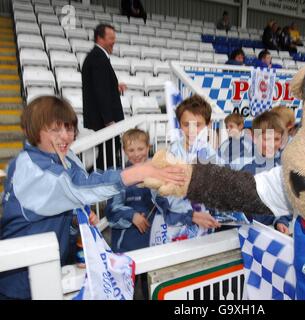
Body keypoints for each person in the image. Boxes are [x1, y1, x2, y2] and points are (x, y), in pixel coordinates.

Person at [0, 96, 186, 300]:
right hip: (20, 278)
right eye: (55, 129)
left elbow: (64, 199)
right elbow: (78, 187)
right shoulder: (30, 167)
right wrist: (140, 171)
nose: (65, 136)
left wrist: (74, 224)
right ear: (34, 130)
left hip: (49, 268)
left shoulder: (61, 154)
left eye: (69, 128)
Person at [150, 95, 221, 245]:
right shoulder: (169, 155)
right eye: (186, 124)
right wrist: (190, 215)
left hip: (204, 227)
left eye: (198, 125)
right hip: (174, 228)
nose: (192, 130)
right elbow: (158, 194)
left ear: (209, 125)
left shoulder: (214, 158)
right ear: (179, 125)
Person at [105, 128, 155, 299]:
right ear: (124, 151)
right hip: (126, 249)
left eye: (140, 149)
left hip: (153, 245)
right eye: (131, 150)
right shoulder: (120, 177)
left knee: (151, 289)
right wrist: (132, 216)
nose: (136, 154)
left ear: (148, 148)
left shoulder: (156, 174)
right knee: (128, 293)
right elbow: (111, 212)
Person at [82, 24, 127, 171]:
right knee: (106, 158)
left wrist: (115, 86)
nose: (114, 41)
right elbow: (100, 92)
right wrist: (108, 120)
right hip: (104, 122)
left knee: (107, 156)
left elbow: (100, 86)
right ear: (100, 38)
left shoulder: (97, 57)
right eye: (111, 38)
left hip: (103, 120)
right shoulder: (98, 58)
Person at [240, 111, 292, 235]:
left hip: (270, 233)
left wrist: (281, 220)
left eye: (276, 139)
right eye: (266, 139)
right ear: (254, 137)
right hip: (245, 233)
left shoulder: (282, 169)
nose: (272, 144)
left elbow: (284, 203)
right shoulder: (243, 167)